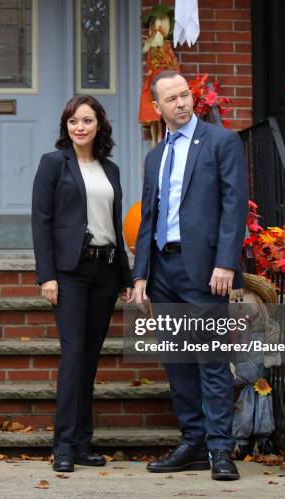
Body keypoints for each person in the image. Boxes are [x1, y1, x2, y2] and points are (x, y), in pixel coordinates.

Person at [132, 70, 247, 481]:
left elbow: (234, 206)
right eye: (172, 99)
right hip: (163, 270)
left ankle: (220, 450)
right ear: (158, 108)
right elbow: (148, 218)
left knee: (212, 361)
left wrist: (226, 263)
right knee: (177, 361)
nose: (181, 103)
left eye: (185, 95)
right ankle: (193, 443)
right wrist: (140, 275)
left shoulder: (221, 142)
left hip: (205, 269)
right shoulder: (154, 156)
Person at [32, 95, 134, 473]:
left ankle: (81, 445)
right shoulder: (53, 164)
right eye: (73, 121)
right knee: (74, 355)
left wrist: (125, 276)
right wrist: (47, 275)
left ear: (98, 126)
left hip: (106, 272)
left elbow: (114, 226)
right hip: (71, 272)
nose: (80, 127)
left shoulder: (111, 169)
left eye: (87, 120)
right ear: (66, 126)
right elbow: (40, 221)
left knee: (90, 360)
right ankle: (62, 445)